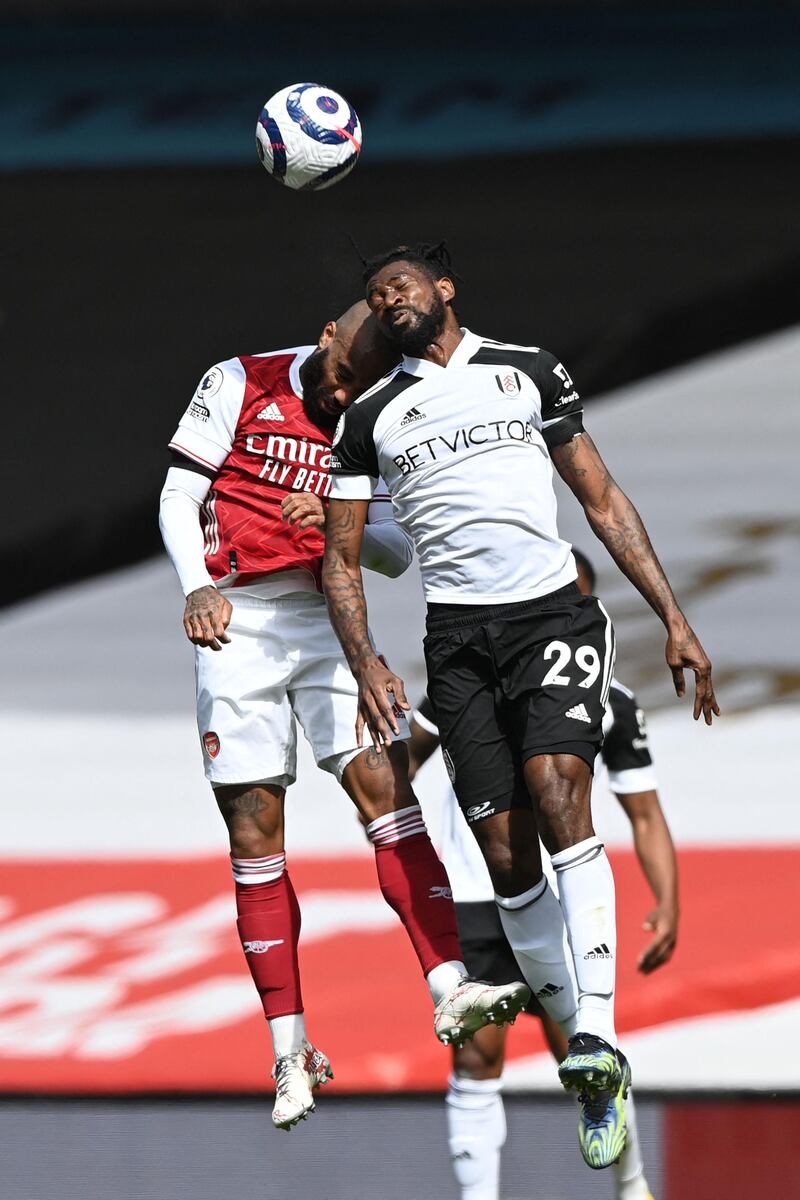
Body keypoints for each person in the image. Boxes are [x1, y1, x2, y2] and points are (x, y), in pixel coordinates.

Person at [322, 245, 718, 1168]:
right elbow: (344, 559)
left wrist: (674, 616)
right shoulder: (371, 418)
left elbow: (602, 498)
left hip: (551, 615)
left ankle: (599, 1039)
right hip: (457, 645)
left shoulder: (528, 371)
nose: (390, 297)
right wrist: (366, 658)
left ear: (444, 288)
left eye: (405, 282)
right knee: (503, 852)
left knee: (559, 788)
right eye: (378, 294)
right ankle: (590, 1055)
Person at [158, 301, 530, 1132]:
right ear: (326, 335)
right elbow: (178, 495)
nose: (338, 399)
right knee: (255, 832)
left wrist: (339, 524)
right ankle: (291, 1049)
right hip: (238, 624)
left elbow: (397, 549)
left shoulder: (384, 410)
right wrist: (196, 586)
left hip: (331, 624)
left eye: (354, 389)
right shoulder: (239, 379)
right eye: (334, 380)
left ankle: (450, 987)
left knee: (388, 794)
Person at [408, 549, 676, 1200]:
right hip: (474, 893)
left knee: (582, 1055)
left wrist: (668, 899)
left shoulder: (609, 701)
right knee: (476, 1054)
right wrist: (407, 846)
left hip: (559, 900)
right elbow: (398, 768)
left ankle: (632, 1185)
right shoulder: (463, 682)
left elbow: (643, 811)